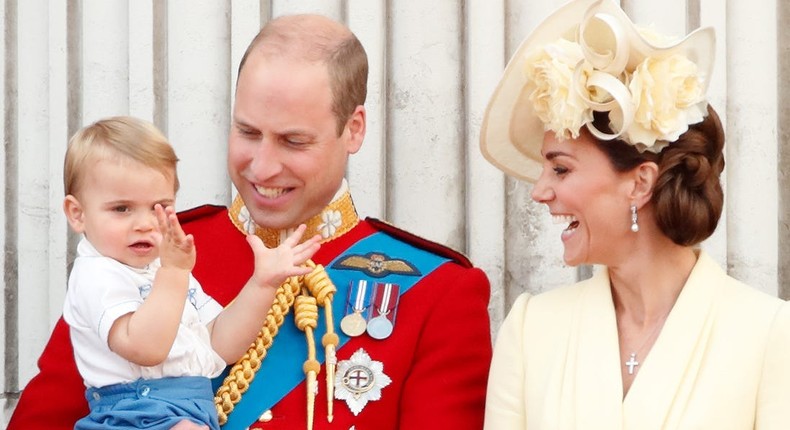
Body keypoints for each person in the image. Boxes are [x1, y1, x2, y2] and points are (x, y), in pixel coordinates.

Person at [9, 14, 492, 430]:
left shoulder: (437, 291)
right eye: (247, 132)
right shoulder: (146, 248)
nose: (261, 168)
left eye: (293, 141)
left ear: (354, 129)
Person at [479, 0, 790, 428]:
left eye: (561, 168)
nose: (539, 192)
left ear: (640, 183)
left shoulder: (770, 334)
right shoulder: (532, 329)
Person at [60, 116, 320, 429]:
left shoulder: (162, 267)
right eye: (122, 209)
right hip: (132, 411)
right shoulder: (97, 274)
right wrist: (173, 273)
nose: (145, 223)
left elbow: (220, 344)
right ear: (78, 214)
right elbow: (145, 348)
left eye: (159, 207)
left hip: (186, 408)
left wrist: (262, 284)